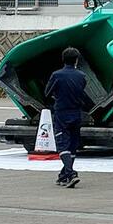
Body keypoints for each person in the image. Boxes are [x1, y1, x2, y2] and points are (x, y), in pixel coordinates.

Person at [44, 47, 87, 188]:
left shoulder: (57, 75)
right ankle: (64, 175)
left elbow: (47, 92)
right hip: (77, 112)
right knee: (73, 145)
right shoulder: (81, 76)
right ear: (76, 60)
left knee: (63, 145)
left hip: (62, 113)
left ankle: (71, 173)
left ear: (63, 59)